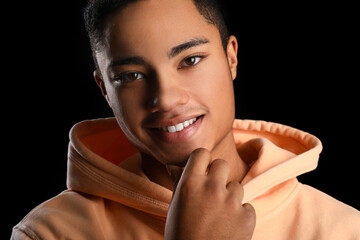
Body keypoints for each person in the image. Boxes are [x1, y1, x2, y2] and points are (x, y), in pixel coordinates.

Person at [11, 0, 360, 239]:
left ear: (231, 58)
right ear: (104, 89)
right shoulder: (49, 232)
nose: (165, 98)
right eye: (131, 76)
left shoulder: (342, 228)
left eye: (190, 60)